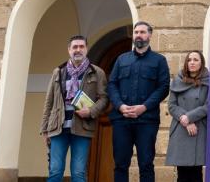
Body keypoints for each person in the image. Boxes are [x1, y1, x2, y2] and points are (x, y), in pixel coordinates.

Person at [107, 21, 171, 182]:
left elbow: (163, 87)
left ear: (150, 35)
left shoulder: (159, 60)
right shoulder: (121, 59)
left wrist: (144, 107)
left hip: (147, 121)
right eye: (136, 32)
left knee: (146, 164)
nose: (139, 35)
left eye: (142, 32)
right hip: (122, 120)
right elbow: (112, 84)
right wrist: (120, 106)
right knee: (120, 165)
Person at [39, 35, 108, 182]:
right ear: (69, 50)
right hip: (58, 127)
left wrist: (91, 111)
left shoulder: (97, 72)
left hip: (82, 128)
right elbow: (49, 101)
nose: (78, 50)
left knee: (78, 173)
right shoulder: (58, 71)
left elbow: (104, 98)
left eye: (81, 46)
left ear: (86, 49)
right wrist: (44, 129)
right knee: (55, 171)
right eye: (74, 47)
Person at [165, 51, 209, 182]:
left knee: (196, 173)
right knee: (182, 173)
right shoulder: (178, 80)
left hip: (199, 129)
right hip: (181, 129)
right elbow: (172, 105)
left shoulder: (208, 82)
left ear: (201, 63)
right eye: (189, 60)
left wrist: (189, 117)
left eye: (196, 60)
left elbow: (209, 105)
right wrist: (185, 119)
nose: (192, 62)